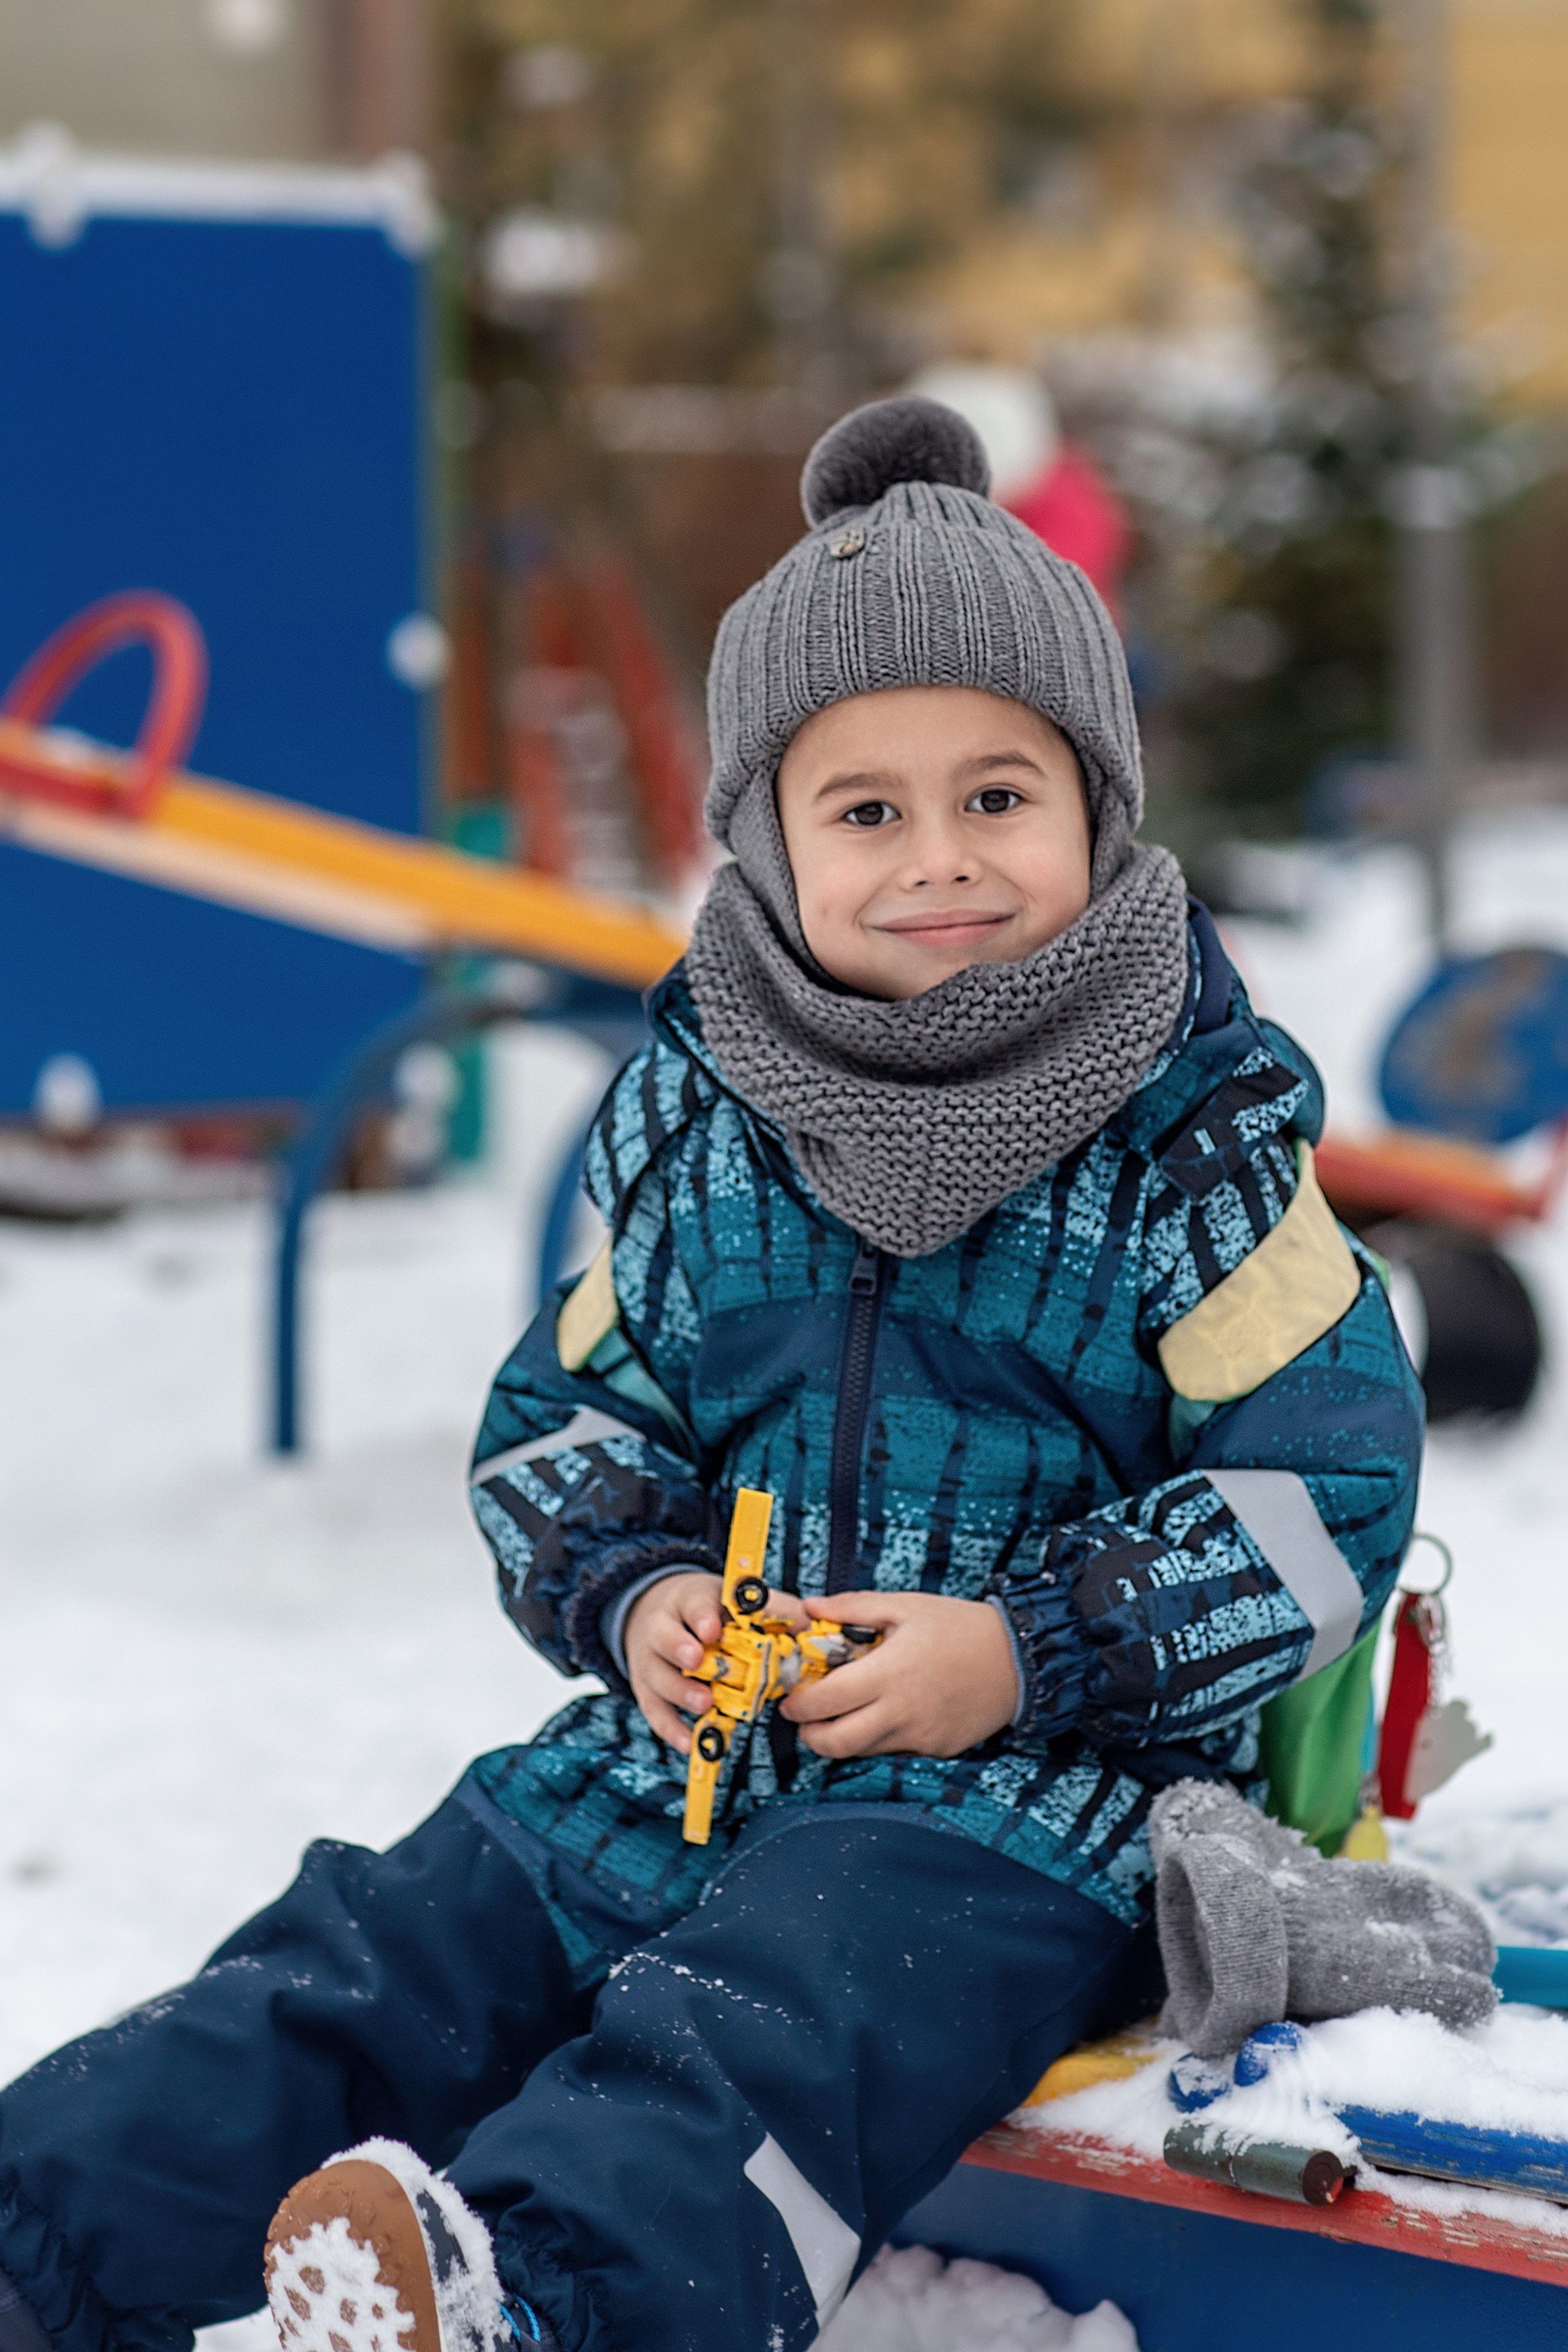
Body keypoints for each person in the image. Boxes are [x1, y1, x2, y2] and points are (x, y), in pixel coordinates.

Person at [0, 399, 1427, 2352]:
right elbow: (563, 1421)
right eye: (866, 811)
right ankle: (47, 2239)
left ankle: (539, 2302)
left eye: (1001, 796)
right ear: (767, 842)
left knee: (771, 2013)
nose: (942, 860)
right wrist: (634, 1586)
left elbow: (1325, 1492)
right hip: (675, 1754)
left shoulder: (1191, 1147)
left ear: (1103, 807)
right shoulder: (702, 1126)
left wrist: (1023, 1651)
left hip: (1017, 1810)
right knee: (375, 1953)